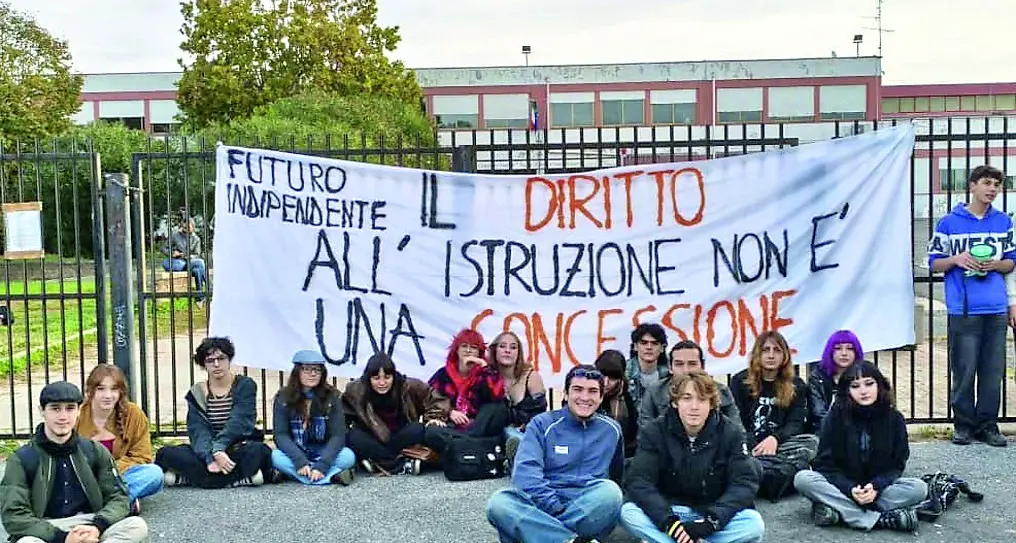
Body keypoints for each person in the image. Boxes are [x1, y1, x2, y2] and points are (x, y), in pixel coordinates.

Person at [621, 371, 765, 543]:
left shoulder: (730, 432)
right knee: (628, 513)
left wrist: (712, 522)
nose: (694, 406)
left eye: (702, 399)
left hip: (710, 512)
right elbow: (639, 481)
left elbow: (743, 483)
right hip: (671, 511)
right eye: (687, 398)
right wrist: (669, 522)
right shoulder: (654, 431)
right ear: (675, 402)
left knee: (754, 524)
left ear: (712, 404)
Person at [486, 365, 624, 543]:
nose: (585, 397)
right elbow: (525, 476)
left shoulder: (612, 430)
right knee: (499, 503)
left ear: (601, 397)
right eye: (577, 390)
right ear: (565, 394)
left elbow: (617, 477)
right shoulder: (541, 424)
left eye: (592, 391)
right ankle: (569, 540)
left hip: (584, 505)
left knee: (611, 493)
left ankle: (536, 535)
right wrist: (553, 506)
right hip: (542, 501)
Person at [928, 165, 1013, 447]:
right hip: (962, 308)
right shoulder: (949, 223)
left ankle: (988, 425)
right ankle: (963, 424)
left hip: (995, 307)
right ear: (973, 185)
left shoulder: (1004, 222)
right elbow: (933, 262)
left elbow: (1011, 261)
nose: (992, 189)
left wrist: (995, 265)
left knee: (992, 370)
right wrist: (956, 260)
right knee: (964, 369)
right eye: (987, 183)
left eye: (997, 185)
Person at [1, 381, 148, 543]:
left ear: (79, 411)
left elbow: (118, 497)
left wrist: (97, 526)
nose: (63, 416)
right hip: (47, 527)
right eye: (55, 408)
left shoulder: (94, 450)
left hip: (89, 524)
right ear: (42, 411)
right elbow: (14, 515)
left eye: (70, 408)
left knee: (136, 525)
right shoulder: (22, 458)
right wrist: (62, 538)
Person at [794, 361, 927, 533]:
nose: (863, 391)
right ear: (847, 391)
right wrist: (850, 489)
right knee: (803, 479)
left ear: (880, 385)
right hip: (843, 487)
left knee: (919, 488)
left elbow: (897, 465)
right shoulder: (834, 418)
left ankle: (839, 511)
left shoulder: (894, 418)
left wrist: (876, 487)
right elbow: (825, 465)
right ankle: (879, 519)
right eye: (855, 386)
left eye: (869, 383)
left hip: (876, 490)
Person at [155, 337, 275, 488]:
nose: (216, 364)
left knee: (259, 451)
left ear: (229, 359)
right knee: (165, 453)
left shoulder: (245, 385)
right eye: (210, 360)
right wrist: (210, 457)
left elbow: (239, 423)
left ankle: (190, 479)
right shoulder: (197, 392)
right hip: (207, 451)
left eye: (221, 358)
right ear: (204, 364)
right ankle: (240, 479)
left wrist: (219, 449)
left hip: (236, 447)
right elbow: (198, 431)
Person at [730, 331, 818, 500]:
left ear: (784, 355)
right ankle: (778, 477)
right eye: (765, 350)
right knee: (731, 446)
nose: (771, 355)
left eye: (777, 350)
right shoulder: (740, 381)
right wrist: (754, 445)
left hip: (781, 446)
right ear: (757, 354)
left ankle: (760, 475)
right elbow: (735, 421)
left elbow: (795, 423)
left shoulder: (797, 385)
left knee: (812, 442)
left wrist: (775, 439)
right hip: (749, 445)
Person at [343, 352, 449, 475]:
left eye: (387, 377)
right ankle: (401, 464)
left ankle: (378, 462)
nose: (382, 383)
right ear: (369, 378)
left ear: (393, 376)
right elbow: (343, 415)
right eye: (376, 378)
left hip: (401, 436)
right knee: (353, 436)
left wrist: (435, 417)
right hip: (373, 436)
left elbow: (434, 399)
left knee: (418, 428)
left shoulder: (408, 385)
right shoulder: (355, 390)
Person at [76, 364, 163, 513]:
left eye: (114, 389)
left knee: (154, 474)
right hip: (84, 478)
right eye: (101, 389)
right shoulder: (78, 414)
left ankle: (102, 504)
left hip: (120, 476)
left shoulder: (133, 414)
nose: (108, 395)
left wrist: (110, 471)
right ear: (90, 391)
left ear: (121, 391)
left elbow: (142, 456)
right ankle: (120, 504)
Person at [270, 350, 356, 485]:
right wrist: (299, 461)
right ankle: (332, 477)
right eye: (307, 369)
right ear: (297, 372)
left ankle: (301, 476)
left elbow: (338, 436)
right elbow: (281, 435)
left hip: (323, 450)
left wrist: (323, 464)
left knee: (348, 456)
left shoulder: (332, 396)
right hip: (297, 450)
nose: (313, 374)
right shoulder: (283, 397)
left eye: (317, 370)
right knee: (275, 457)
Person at [425, 328, 509, 454]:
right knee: (431, 432)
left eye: (473, 347)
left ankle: (462, 448)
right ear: (457, 349)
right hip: (452, 427)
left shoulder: (486, 373)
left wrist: (484, 366)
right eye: (464, 346)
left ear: (479, 352)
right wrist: (450, 412)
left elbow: (497, 395)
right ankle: (476, 448)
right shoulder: (443, 374)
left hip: (479, 426)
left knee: (497, 407)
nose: (468, 350)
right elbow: (431, 402)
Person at [638, 340, 742, 432]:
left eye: (692, 364)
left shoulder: (720, 390)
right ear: (670, 367)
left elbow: (737, 430)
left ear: (702, 366)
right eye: (679, 364)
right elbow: (645, 431)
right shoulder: (654, 391)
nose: (685, 370)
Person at [491, 331, 547, 468]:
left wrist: (525, 425)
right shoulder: (486, 375)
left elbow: (540, 413)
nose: (508, 351)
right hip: (495, 432)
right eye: (503, 346)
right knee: (507, 431)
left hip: (526, 431)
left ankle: (522, 460)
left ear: (519, 353)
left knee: (516, 436)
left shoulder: (531, 376)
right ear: (494, 351)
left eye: (513, 347)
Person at [806, 330, 863, 433]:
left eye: (850, 348)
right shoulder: (817, 377)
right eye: (838, 348)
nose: (844, 353)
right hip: (824, 432)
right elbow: (818, 413)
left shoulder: (864, 376)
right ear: (830, 351)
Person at [593, 350, 638, 458]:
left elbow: (630, 439)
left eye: (613, 378)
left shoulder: (626, 401)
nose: (606, 382)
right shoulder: (582, 395)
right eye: (602, 375)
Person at [162, 216, 207, 301]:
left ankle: (200, 296)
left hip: (190, 262)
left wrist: (190, 256)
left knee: (198, 267)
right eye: (184, 227)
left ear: (193, 228)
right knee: (200, 264)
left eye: (188, 228)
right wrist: (172, 253)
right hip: (178, 263)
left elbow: (197, 254)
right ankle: (209, 288)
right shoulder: (175, 236)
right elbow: (164, 248)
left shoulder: (196, 239)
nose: (186, 229)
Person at [625, 323, 669, 408]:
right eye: (644, 343)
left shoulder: (670, 376)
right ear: (635, 346)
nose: (649, 347)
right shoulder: (624, 374)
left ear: (662, 348)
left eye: (654, 343)